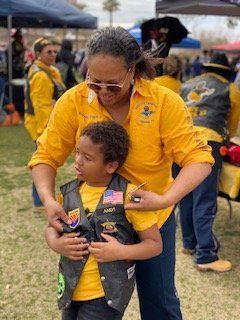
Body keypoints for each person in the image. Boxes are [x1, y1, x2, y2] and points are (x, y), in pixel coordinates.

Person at [28, 27, 214, 320]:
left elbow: (199, 158)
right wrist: (49, 201)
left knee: (159, 303)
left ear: (133, 71)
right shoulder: (73, 101)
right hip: (92, 222)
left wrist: (165, 199)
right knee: (87, 302)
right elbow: (45, 156)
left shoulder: (163, 101)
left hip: (150, 220)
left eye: (113, 85)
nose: (102, 93)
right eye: (94, 83)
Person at [45, 120, 162, 320]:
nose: (78, 161)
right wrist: (57, 243)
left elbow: (155, 245)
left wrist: (121, 251)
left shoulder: (129, 195)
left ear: (111, 166)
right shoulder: (68, 193)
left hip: (104, 298)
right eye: (77, 152)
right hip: (70, 290)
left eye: (88, 158)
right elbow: (50, 228)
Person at [173, 53, 240, 272]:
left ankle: (190, 244)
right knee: (204, 199)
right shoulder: (230, 89)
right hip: (207, 144)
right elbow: (231, 124)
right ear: (225, 72)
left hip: (181, 142)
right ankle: (206, 255)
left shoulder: (186, 84)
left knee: (186, 195)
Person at [24, 37, 66, 207]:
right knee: (43, 160)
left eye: (55, 51)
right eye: (49, 52)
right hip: (42, 126)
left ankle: (40, 199)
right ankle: (40, 200)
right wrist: (44, 133)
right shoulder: (41, 75)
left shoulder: (49, 70)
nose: (53, 54)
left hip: (46, 123)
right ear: (38, 54)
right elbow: (41, 106)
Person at [11, 28, 26, 116]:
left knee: (19, 90)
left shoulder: (20, 45)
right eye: (18, 37)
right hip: (14, 71)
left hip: (19, 70)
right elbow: (13, 57)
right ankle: (16, 107)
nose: (20, 38)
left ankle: (20, 107)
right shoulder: (13, 46)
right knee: (15, 90)